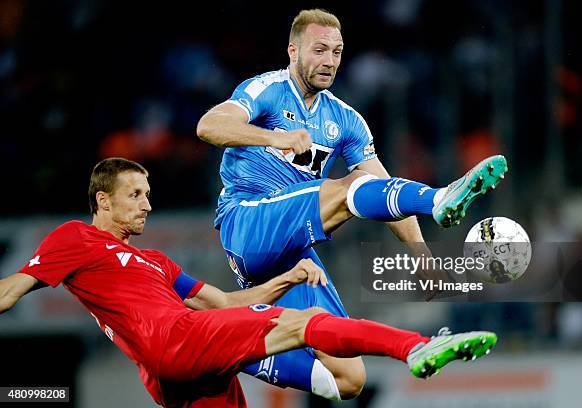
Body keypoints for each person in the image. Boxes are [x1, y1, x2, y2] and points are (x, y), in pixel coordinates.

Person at [0, 157, 497, 407]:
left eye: (149, 194)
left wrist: (288, 277)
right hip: (171, 340)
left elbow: (225, 302)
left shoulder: (154, 260)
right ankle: (414, 348)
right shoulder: (76, 238)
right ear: (102, 200)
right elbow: (12, 289)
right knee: (307, 323)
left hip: (177, 369)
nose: (147, 204)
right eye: (135, 194)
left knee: (282, 334)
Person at [195, 8, 507, 400]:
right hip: (247, 223)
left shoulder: (346, 119)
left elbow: (383, 185)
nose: (329, 61)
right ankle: (440, 196)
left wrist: (421, 256)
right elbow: (208, 126)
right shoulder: (266, 90)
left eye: (337, 52)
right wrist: (274, 138)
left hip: (294, 254)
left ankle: (228, 345)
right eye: (319, 50)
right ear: (292, 50)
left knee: (347, 377)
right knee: (348, 186)